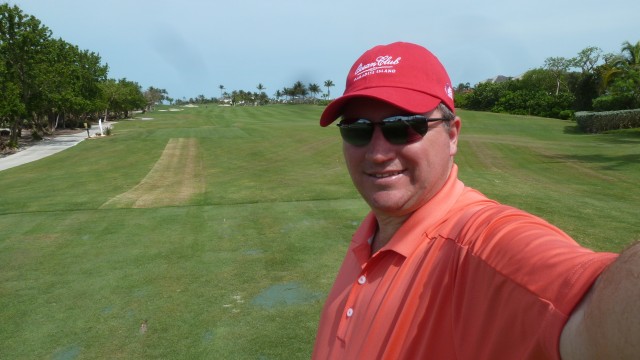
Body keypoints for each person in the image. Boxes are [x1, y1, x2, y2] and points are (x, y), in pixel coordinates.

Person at [312, 41, 640, 359]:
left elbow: (594, 309)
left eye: (403, 126)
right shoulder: (370, 234)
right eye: (357, 128)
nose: (378, 152)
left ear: (452, 135)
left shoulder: (480, 243)